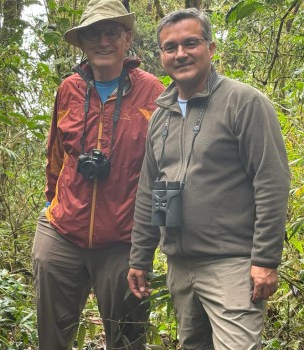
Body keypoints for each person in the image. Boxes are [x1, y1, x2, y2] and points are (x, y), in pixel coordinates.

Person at [127, 8, 290, 350]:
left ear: (211, 48)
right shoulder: (161, 116)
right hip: (180, 266)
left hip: (231, 264)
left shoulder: (243, 102)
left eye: (191, 43)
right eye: (170, 47)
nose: (180, 53)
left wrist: (265, 259)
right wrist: (140, 258)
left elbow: (271, 181)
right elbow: (148, 192)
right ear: (161, 56)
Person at [31, 0, 164, 349]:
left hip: (123, 237)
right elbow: (55, 156)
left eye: (111, 32)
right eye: (93, 34)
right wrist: (51, 203)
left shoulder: (153, 92)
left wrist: (153, 232)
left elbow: (165, 165)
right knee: (52, 336)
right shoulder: (68, 89)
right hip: (63, 228)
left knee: (126, 336)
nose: (102, 41)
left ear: (127, 38)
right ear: (82, 43)